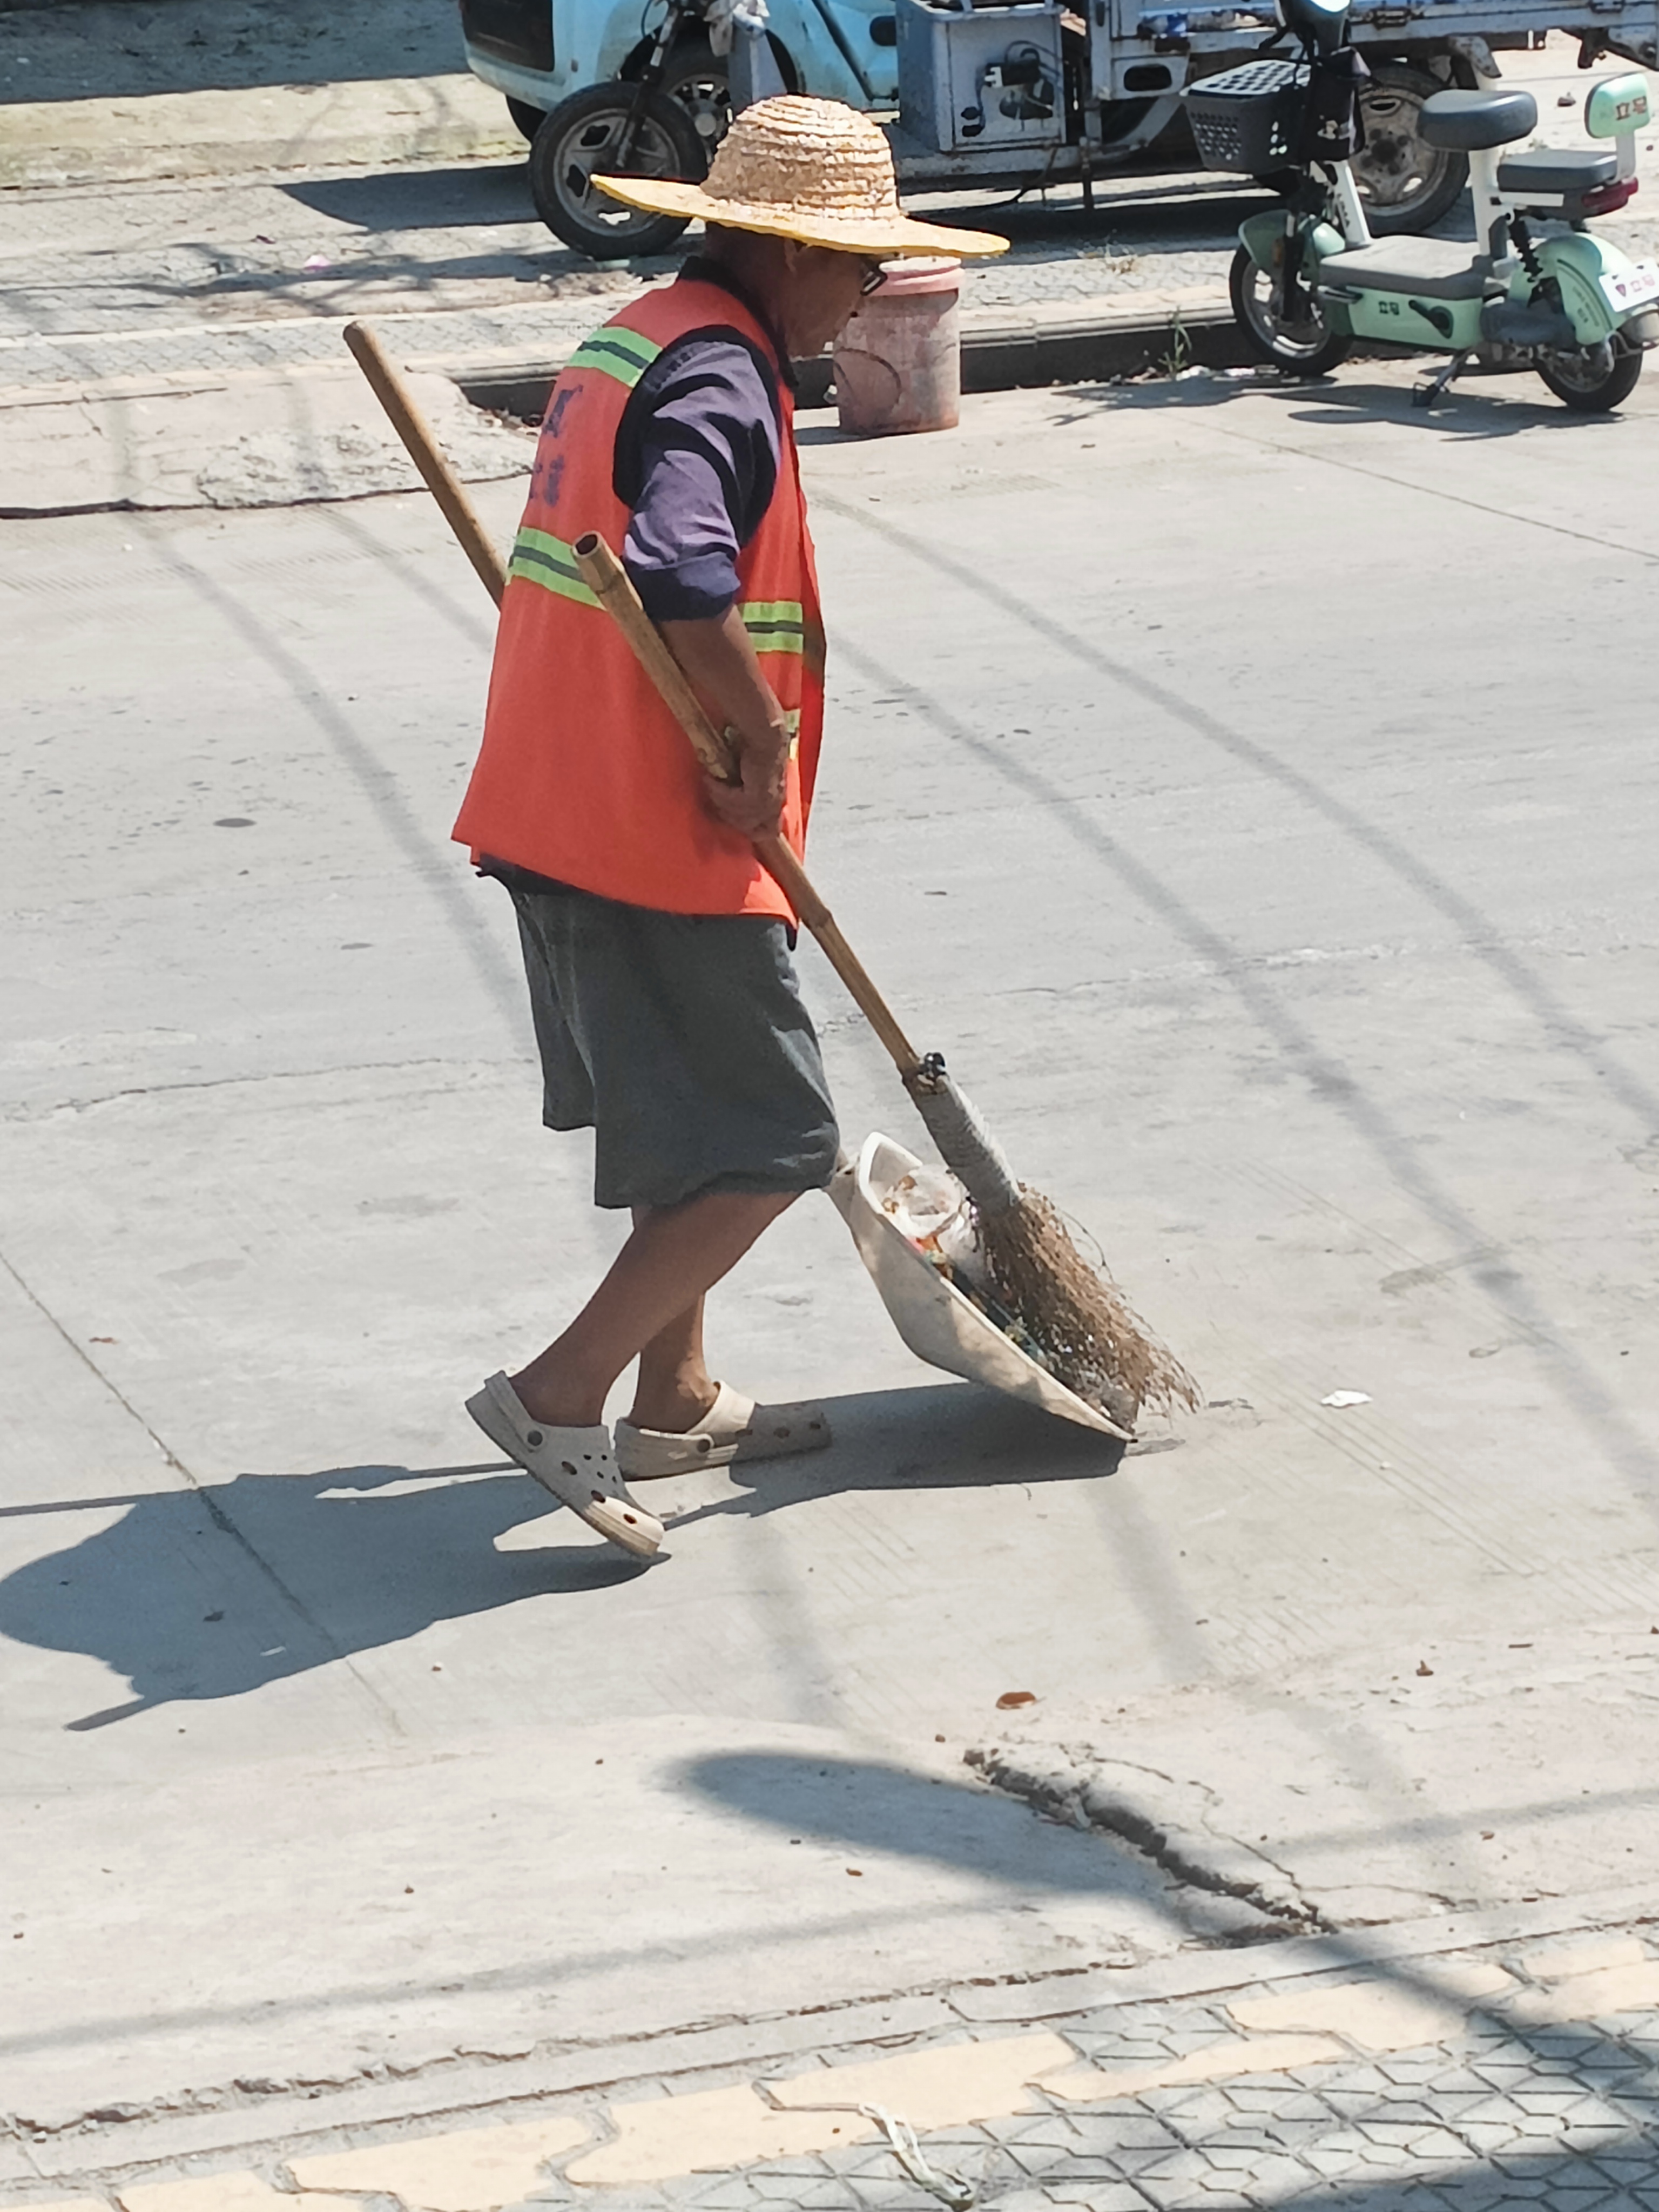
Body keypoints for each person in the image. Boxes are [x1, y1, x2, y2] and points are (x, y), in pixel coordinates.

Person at [451, 96, 1006, 1560]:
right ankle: (560, 1392)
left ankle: (674, 1397)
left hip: (554, 800)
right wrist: (755, 738)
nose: (873, 289)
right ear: (780, 251)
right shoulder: (720, 379)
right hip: (654, 828)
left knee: (683, 1130)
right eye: (856, 263)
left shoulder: (638, 330)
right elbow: (683, 562)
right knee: (770, 1143)